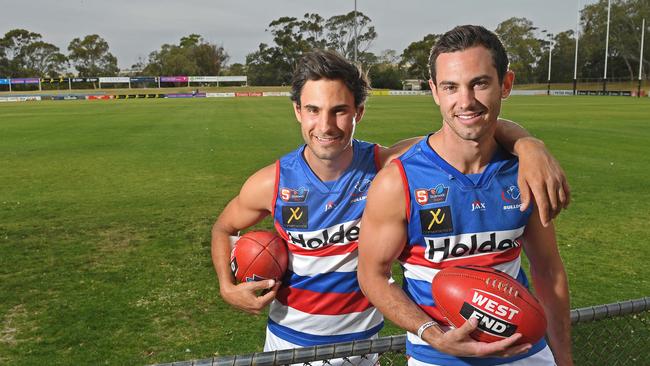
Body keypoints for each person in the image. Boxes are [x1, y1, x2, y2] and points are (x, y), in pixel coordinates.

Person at [212, 49, 570, 364]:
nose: (325, 125)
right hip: (290, 343)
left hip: (365, 345)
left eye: (339, 111)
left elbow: (470, 128)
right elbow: (224, 228)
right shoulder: (271, 182)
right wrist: (227, 286)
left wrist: (527, 144)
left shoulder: (387, 165)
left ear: (359, 113)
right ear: (297, 112)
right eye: (313, 110)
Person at [357, 25, 572, 366]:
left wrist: (564, 359)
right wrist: (432, 333)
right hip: (438, 357)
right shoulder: (398, 182)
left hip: (525, 352)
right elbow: (371, 275)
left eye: (480, 83)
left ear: (506, 84)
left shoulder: (524, 171)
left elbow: (548, 271)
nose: (466, 101)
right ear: (434, 91)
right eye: (451, 87)